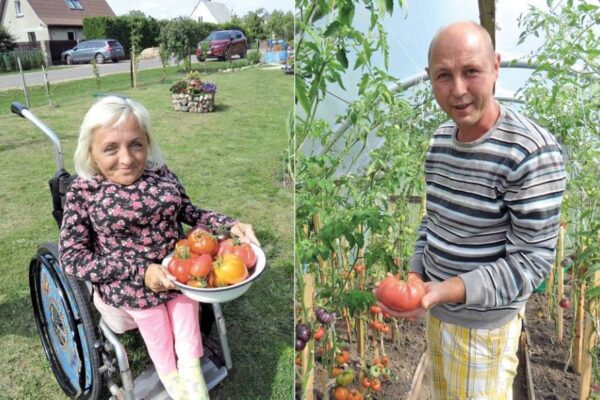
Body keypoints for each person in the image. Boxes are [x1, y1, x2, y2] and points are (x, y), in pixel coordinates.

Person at [375, 21, 566, 399]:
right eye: (444, 75)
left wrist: (439, 291)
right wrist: (416, 278)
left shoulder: (530, 152)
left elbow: (531, 262)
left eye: (471, 71)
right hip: (440, 314)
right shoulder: (439, 142)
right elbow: (434, 220)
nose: (458, 90)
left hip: (484, 330)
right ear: (430, 78)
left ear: (496, 66)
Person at [59, 95, 259, 400]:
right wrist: (140, 271)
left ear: (147, 142)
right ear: (90, 151)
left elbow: (190, 212)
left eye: (136, 144)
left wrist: (229, 224)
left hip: (177, 273)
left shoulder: (160, 173)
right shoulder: (83, 191)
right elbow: (72, 259)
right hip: (127, 285)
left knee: (185, 306)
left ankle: (192, 374)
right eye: (111, 148)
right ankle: (174, 383)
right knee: (154, 316)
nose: (126, 159)